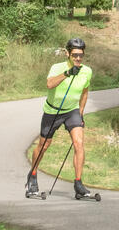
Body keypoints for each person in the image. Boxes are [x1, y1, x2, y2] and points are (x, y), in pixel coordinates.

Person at [28, 38, 94, 198]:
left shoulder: (87, 71)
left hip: (72, 112)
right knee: (44, 146)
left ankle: (78, 183)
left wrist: (81, 112)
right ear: (67, 54)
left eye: (81, 55)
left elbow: (85, 92)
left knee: (79, 143)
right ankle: (33, 174)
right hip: (53, 111)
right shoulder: (57, 67)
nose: (78, 58)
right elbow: (49, 84)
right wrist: (67, 73)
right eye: (74, 55)